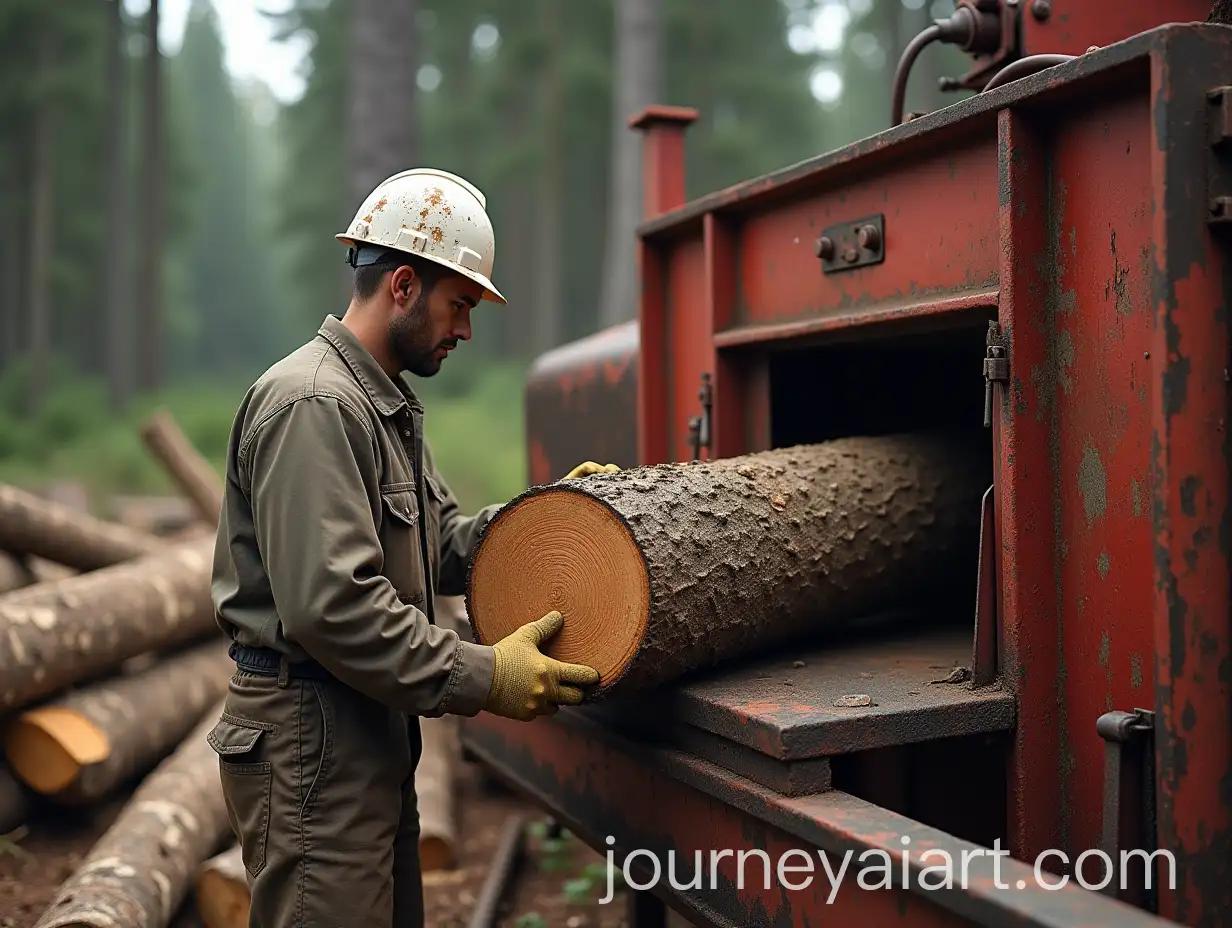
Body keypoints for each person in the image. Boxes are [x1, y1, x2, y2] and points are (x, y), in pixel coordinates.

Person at [207, 167, 617, 928]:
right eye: (459, 305)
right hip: (311, 737)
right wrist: (487, 675)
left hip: (358, 725)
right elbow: (334, 608)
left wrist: (546, 519)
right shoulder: (315, 404)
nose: (465, 329)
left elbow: (434, 547)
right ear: (402, 285)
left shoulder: (381, 402)